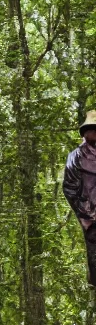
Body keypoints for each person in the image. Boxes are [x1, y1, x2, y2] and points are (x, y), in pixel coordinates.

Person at [63, 110, 96, 287]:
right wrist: (87, 212)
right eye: (92, 129)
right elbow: (69, 188)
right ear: (85, 132)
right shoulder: (75, 157)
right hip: (90, 215)